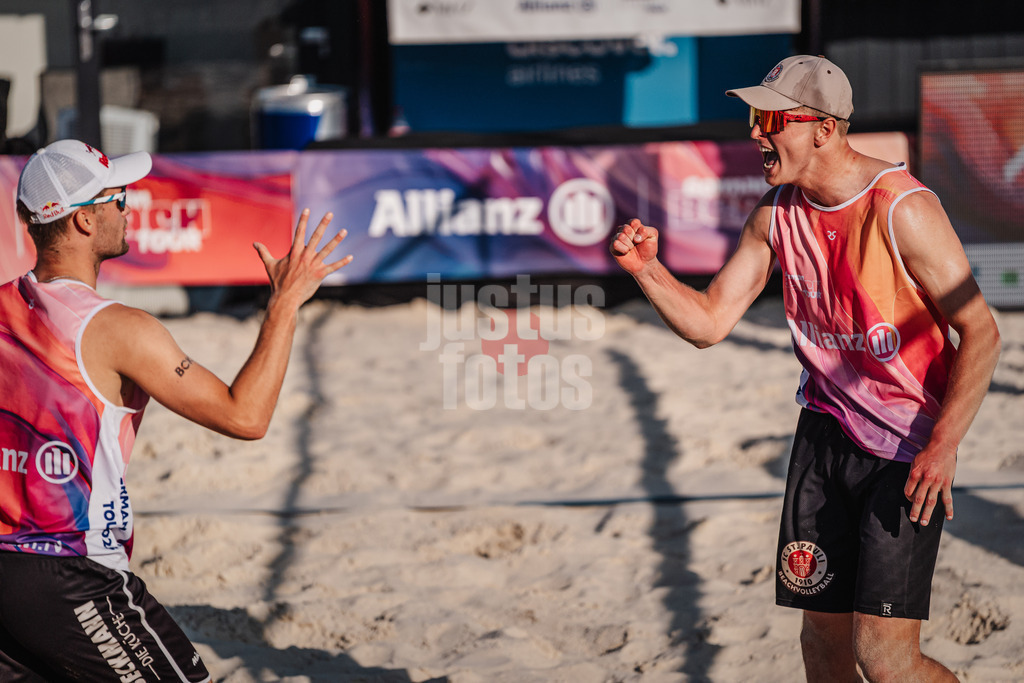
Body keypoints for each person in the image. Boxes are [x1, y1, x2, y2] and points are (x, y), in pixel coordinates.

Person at [610, 55, 1001, 681]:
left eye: (771, 118)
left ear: (823, 128)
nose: (755, 132)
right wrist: (649, 272)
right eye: (752, 117)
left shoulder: (903, 209)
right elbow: (710, 324)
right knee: (821, 645)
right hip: (821, 438)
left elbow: (981, 331)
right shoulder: (775, 213)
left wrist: (944, 444)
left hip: (904, 450)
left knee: (884, 662)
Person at [0, 139, 352, 681]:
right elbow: (245, 416)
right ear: (86, 222)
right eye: (118, 198)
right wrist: (283, 304)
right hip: (70, 569)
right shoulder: (119, 329)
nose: (128, 207)